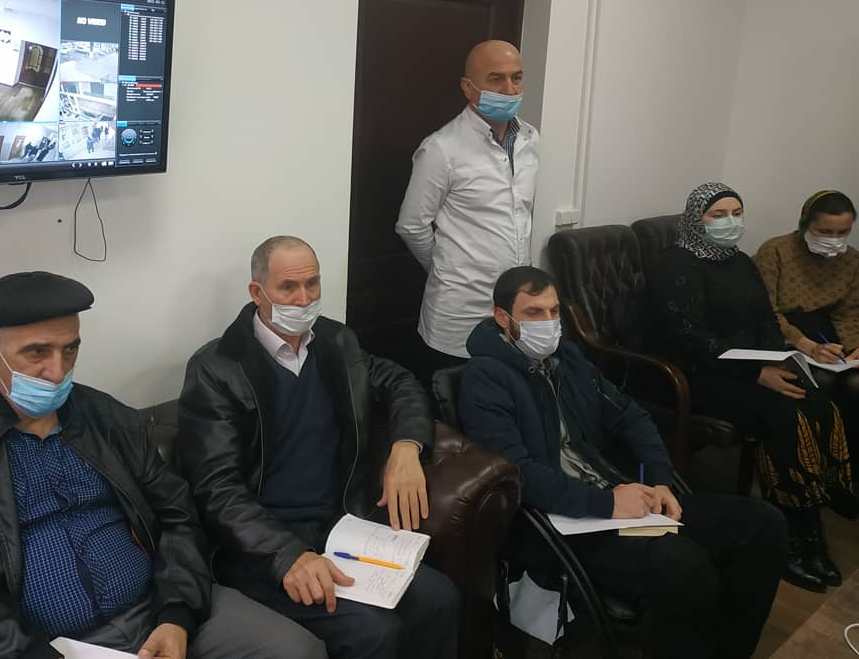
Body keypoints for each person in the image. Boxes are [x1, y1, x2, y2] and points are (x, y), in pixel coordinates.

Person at [459, 266, 787, 659]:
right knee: (684, 566)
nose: (548, 322)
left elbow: (631, 416)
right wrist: (608, 503)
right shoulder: (485, 378)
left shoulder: (568, 359)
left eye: (554, 311)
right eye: (533, 313)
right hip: (563, 523)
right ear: (503, 318)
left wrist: (660, 479)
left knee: (764, 524)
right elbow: (518, 473)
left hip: (618, 494)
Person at [0, 271, 327, 659]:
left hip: (158, 606)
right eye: (36, 353)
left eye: (70, 350)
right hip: (46, 645)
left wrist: (176, 614)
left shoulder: (108, 419)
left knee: (297, 650)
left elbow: (178, 515)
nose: (58, 371)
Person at [177, 236, 459, 659]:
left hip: (340, 529)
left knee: (441, 599)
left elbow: (400, 382)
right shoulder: (217, 368)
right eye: (288, 287)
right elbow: (217, 490)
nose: (304, 298)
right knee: (372, 632)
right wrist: (287, 555)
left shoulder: (335, 342)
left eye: (312, 284)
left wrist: (406, 447)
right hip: (260, 549)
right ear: (257, 292)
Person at [647, 182, 854, 593]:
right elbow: (688, 338)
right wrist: (754, 374)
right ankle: (791, 540)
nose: (730, 222)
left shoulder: (739, 261)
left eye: (737, 213)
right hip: (699, 374)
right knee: (783, 414)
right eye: (718, 215)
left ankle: (811, 528)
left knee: (817, 402)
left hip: (751, 365)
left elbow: (766, 319)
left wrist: (777, 359)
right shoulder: (674, 265)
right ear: (696, 219)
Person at [395, 39, 540, 385]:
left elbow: (520, 214)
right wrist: (445, 267)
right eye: (496, 79)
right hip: (459, 312)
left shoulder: (530, 139)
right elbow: (411, 225)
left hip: (513, 312)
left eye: (517, 78)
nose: (509, 89)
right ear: (468, 87)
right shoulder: (441, 149)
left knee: (505, 404)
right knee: (455, 407)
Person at [754, 190, 859, 481]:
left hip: (827, 333)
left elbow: (848, 312)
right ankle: (811, 470)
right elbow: (767, 311)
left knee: (855, 384)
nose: (834, 240)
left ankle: (846, 471)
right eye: (825, 231)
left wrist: (854, 348)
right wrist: (807, 345)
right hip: (783, 334)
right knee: (819, 382)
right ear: (804, 223)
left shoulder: (852, 260)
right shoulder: (775, 251)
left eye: (843, 232)